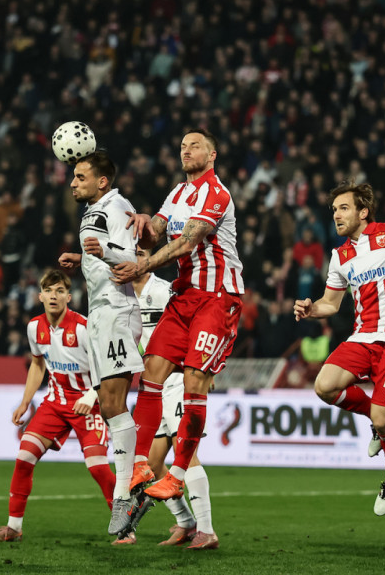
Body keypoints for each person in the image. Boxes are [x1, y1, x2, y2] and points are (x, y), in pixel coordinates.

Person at [111, 129, 243, 514]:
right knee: (150, 372)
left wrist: (144, 264)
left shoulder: (217, 193)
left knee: (193, 382)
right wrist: (143, 221)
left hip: (218, 296)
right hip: (184, 296)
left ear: (213, 154)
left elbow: (188, 241)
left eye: (195, 145)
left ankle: (179, 473)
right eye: (182, 145)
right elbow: (155, 234)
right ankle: (139, 465)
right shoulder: (177, 193)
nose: (186, 150)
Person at [293, 181, 385, 515]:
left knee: (382, 414)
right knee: (324, 386)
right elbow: (330, 304)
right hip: (363, 337)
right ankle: (379, 419)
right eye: (334, 210)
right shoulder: (340, 255)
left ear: (363, 211)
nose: (336, 215)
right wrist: (310, 308)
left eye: (343, 208)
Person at [0, 269, 115, 543]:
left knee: (98, 468)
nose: (54, 296)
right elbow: (38, 364)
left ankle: (126, 526)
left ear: (69, 296)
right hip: (55, 403)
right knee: (24, 458)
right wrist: (25, 401)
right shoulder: (34, 327)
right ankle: (14, 528)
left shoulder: (83, 327)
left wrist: (92, 395)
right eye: (49, 291)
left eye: (59, 291)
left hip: (88, 403)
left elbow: (107, 366)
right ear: (40, 296)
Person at [58, 149, 145, 537]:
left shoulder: (118, 205)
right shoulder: (93, 210)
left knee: (113, 403)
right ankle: (128, 488)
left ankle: (124, 493)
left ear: (102, 181)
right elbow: (104, 254)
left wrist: (103, 251)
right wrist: (83, 259)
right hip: (99, 312)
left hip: (117, 310)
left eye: (80, 176)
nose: (73, 182)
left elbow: (133, 257)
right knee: (110, 405)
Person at [118, 247, 218, 549]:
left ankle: (206, 529)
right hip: (151, 387)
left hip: (176, 380)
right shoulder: (120, 296)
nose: (136, 256)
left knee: (184, 453)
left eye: (142, 252)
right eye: (131, 251)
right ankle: (186, 521)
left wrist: (204, 372)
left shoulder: (165, 291)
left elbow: (200, 325)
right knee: (152, 461)